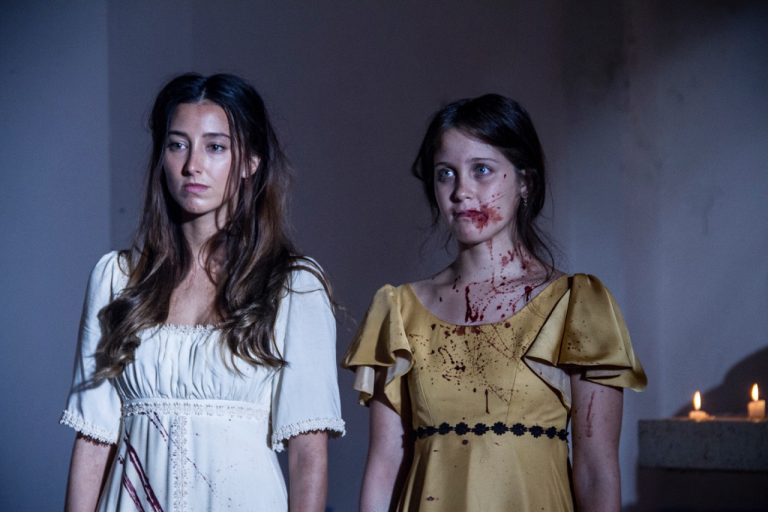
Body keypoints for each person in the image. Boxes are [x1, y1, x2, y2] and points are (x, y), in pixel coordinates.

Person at [343, 94, 646, 511]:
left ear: (526, 182)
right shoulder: (399, 310)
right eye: (445, 174)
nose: (461, 191)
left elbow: (596, 472)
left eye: (481, 170)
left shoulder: (576, 305)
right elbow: (384, 466)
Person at [61, 73, 345, 511]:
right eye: (178, 145)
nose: (192, 165)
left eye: (215, 147)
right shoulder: (117, 279)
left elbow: (308, 454)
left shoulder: (293, 286)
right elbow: (93, 439)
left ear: (250, 161)